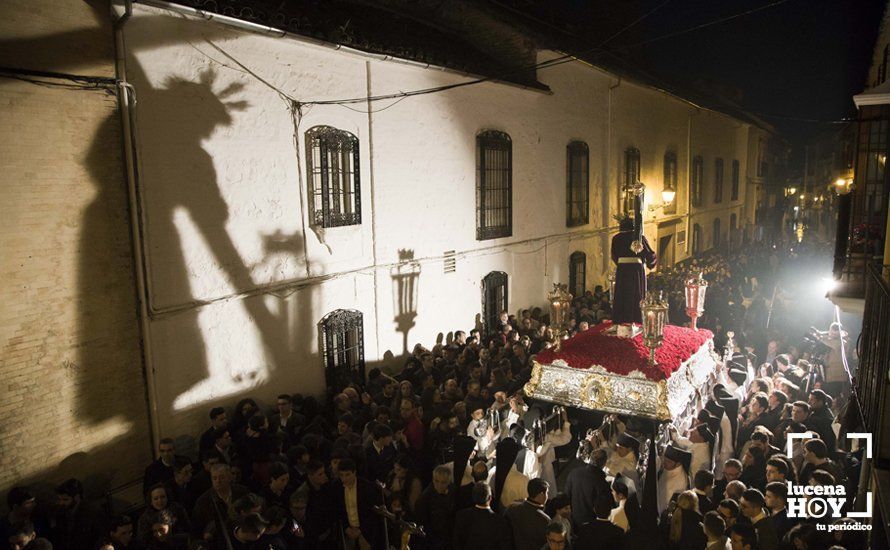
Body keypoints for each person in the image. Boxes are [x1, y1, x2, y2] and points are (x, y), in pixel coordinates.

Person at [334, 458, 383, 550]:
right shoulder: (337, 487)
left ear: (354, 472)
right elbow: (338, 510)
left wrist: (361, 530)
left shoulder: (367, 487)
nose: (344, 479)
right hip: (348, 533)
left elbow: (372, 513)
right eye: (341, 475)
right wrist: (346, 528)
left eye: (347, 475)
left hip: (365, 532)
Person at [453, 482, 511, 550]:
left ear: (473, 496)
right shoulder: (500, 522)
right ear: (490, 498)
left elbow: (456, 543)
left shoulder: (461, 516)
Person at [564, 448, 612, 527]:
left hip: (574, 519)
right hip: (591, 523)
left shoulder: (574, 473)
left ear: (590, 459)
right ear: (604, 464)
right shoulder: (602, 482)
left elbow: (566, 496)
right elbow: (603, 507)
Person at [414, 466, 454, 550]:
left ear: (449, 482)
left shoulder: (453, 492)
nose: (439, 485)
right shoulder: (425, 499)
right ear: (433, 480)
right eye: (436, 481)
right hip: (432, 541)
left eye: (443, 482)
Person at [504, 478, 551, 550]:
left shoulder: (511, 508)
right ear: (541, 494)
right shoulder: (544, 519)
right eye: (547, 492)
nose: (548, 496)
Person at [658, 445, 691, 516]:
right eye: (664, 460)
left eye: (668, 462)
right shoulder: (670, 468)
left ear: (678, 464)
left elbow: (664, 503)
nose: (664, 463)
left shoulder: (679, 482)